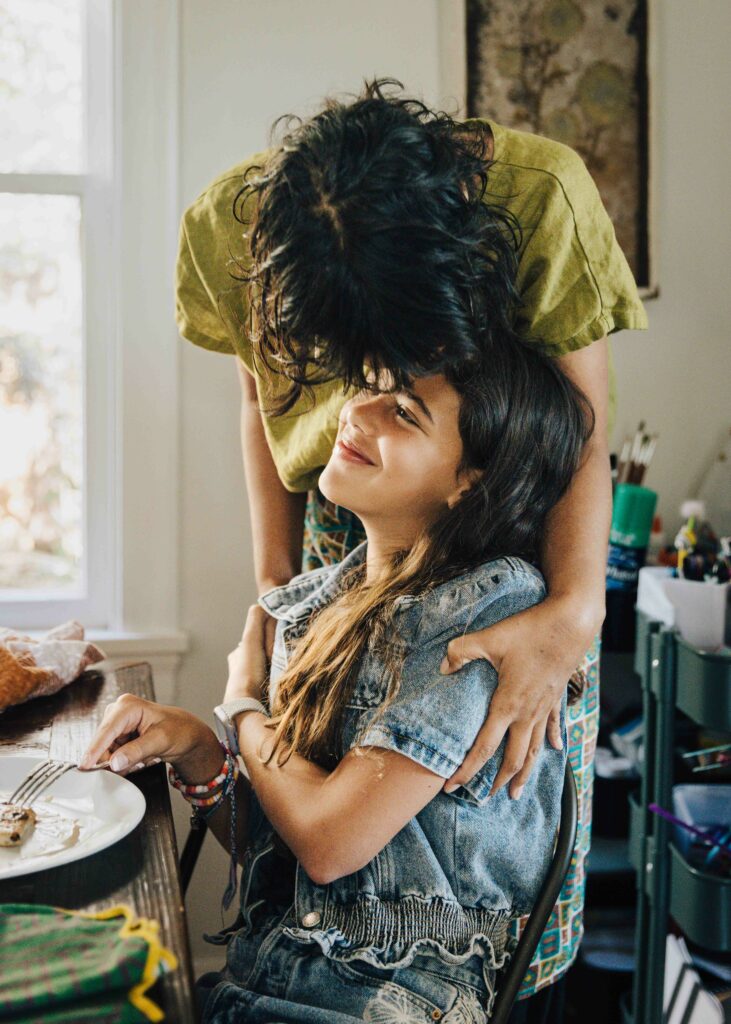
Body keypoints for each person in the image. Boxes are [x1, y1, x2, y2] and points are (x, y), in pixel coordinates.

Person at [174, 77, 648, 1010]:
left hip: (514, 540)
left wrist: (570, 612)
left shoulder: (539, 195)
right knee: (325, 846)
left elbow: (580, 431)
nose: (357, 394)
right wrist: (275, 589)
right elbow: (257, 400)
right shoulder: (227, 235)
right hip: (353, 534)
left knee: (480, 867)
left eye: (397, 383)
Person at [81, 334, 593, 1022]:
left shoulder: (488, 620)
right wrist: (200, 752)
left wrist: (241, 708)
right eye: (372, 386)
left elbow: (328, 843)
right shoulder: (321, 607)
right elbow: (293, 842)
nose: (359, 412)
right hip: (266, 986)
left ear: (469, 481)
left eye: (405, 414)